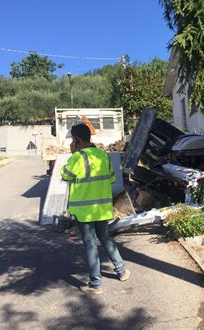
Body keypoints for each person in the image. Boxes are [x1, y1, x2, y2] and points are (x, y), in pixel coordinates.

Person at [61, 123, 130, 295]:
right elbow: (112, 179)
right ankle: (121, 271)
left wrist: (73, 154)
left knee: (91, 245)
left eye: (72, 140)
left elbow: (65, 175)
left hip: (85, 212)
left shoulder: (77, 157)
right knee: (105, 238)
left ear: (77, 140)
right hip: (102, 209)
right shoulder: (103, 155)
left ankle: (96, 284)